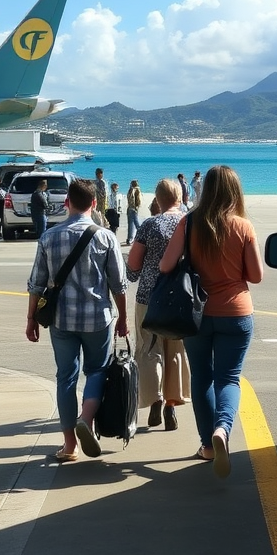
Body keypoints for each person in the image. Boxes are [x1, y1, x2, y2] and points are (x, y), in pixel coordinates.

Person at [160, 165, 263, 477]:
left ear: (205, 190)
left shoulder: (189, 222)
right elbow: (256, 276)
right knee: (229, 378)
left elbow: (165, 266)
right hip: (236, 312)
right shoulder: (243, 226)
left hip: (197, 314)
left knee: (202, 377)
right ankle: (223, 429)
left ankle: (207, 445)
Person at [26, 178, 128, 461]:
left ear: (66, 202)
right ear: (94, 203)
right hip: (98, 318)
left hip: (61, 319)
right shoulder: (105, 237)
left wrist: (31, 318)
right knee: (97, 371)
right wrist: (123, 317)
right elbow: (118, 284)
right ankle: (86, 417)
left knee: (65, 377)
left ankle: (70, 444)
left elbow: (36, 283)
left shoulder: (49, 237)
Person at [126, 178, 191, 431]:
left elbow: (133, 266)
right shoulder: (189, 223)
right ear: (180, 197)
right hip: (181, 298)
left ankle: (155, 400)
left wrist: (135, 273)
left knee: (149, 349)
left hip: (149, 297)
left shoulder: (150, 225)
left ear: (157, 199)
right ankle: (171, 406)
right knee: (175, 350)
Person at [126, 179, 143, 244]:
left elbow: (129, 199)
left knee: (130, 224)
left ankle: (129, 238)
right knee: (136, 223)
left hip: (129, 208)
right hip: (134, 208)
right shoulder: (137, 190)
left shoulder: (130, 190)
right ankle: (141, 236)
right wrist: (137, 207)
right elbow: (138, 200)